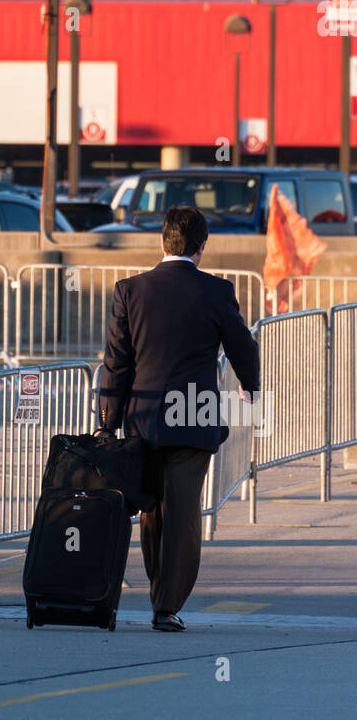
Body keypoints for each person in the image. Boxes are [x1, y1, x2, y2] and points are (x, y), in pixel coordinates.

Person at [96, 205, 260, 632]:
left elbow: (116, 364)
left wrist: (107, 421)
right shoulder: (217, 292)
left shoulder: (129, 290)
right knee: (184, 512)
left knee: (152, 511)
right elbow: (245, 349)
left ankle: (159, 591)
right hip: (194, 418)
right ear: (202, 248)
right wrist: (253, 390)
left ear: (161, 242)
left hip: (144, 421)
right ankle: (166, 606)